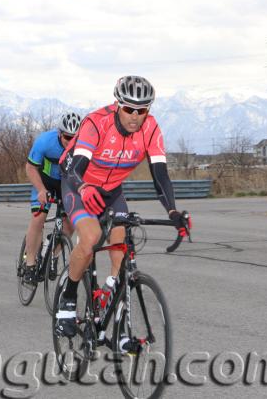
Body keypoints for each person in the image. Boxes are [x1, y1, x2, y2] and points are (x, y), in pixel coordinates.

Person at [55, 76, 191, 337]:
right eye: (129, 108)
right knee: (92, 237)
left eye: (142, 110)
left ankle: (116, 314)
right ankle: (68, 297)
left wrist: (172, 211)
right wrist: (83, 187)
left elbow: (160, 174)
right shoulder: (97, 123)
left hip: (111, 190)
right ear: (118, 104)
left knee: (122, 251)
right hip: (77, 183)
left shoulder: (151, 129)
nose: (135, 116)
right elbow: (74, 167)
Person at [23, 112, 81, 284]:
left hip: (65, 184)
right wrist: (41, 190)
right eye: (67, 137)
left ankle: (53, 252)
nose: (70, 141)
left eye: (75, 138)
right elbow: (30, 168)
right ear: (59, 133)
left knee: (70, 222)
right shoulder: (44, 141)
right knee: (39, 217)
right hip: (45, 182)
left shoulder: (83, 146)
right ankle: (30, 264)